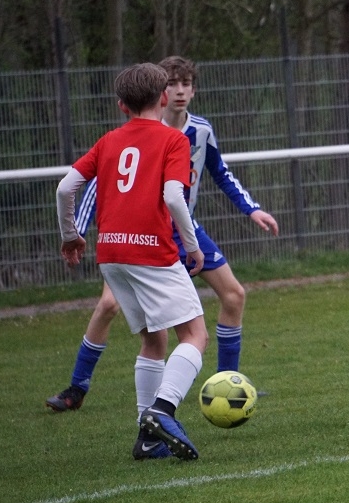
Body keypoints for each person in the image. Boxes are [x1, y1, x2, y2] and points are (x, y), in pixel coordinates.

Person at [46, 56, 279, 413]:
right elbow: (96, 191)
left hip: (182, 228)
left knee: (233, 295)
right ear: (162, 95)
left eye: (187, 83)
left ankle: (226, 384)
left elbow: (220, 172)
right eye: (173, 84)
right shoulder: (141, 138)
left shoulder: (199, 130)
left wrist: (252, 209)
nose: (180, 90)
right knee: (112, 306)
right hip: (146, 232)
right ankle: (78, 387)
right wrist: (76, 229)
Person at [56, 62, 208, 460]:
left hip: (111, 254)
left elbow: (65, 188)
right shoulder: (173, 140)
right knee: (195, 335)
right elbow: (174, 197)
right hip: (151, 252)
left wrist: (71, 234)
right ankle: (163, 409)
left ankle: (148, 438)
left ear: (122, 105)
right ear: (163, 97)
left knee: (154, 339)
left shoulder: (109, 141)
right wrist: (191, 246)